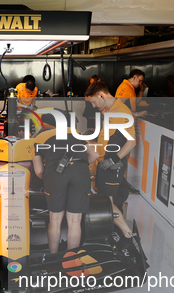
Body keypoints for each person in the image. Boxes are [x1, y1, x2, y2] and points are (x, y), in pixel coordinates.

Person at [32, 126, 99, 254]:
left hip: (55, 174)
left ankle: (53, 258)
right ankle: (70, 260)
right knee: (74, 221)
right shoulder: (76, 135)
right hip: (80, 172)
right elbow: (95, 154)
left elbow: (39, 170)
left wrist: (50, 178)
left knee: (55, 219)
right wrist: (81, 167)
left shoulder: (39, 140)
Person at [85, 81, 137, 240]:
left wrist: (114, 159)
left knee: (106, 203)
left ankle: (128, 235)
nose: (93, 106)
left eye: (94, 102)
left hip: (111, 164)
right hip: (104, 162)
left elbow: (132, 141)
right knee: (113, 197)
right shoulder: (109, 110)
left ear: (101, 95)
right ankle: (113, 230)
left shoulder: (122, 112)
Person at [115, 69, 148, 195]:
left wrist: (141, 91)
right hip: (122, 126)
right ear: (134, 77)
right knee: (122, 156)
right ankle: (120, 185)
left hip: (126, 126)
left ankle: (122, 184)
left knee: (125, 156)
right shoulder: (124, 88)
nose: (140, 83)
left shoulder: (131, 89)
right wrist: (136, 114)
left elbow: (134, 103)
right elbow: (118, 107)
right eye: (140, 81)